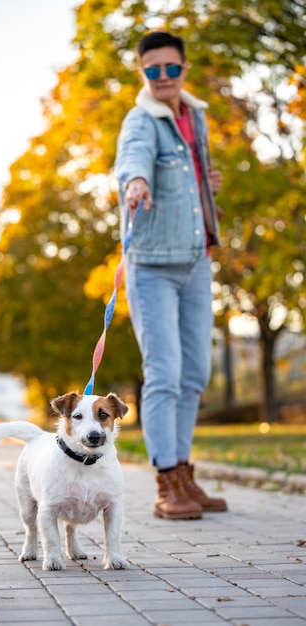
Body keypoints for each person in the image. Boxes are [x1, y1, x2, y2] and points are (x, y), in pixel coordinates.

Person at [115, 30, 227, 520]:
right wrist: (136, 181)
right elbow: (133, 158)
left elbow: (190, 173)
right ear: (143, 73)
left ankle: (185, 474)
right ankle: (166, 485)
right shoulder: (140, 119)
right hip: (152, 266)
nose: (163, 77)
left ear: (183, 69)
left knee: (195, 373)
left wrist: (207, 182)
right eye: (153, 70)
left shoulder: (195, 114)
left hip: (196, 258)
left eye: (171, 68)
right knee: (164, 374)